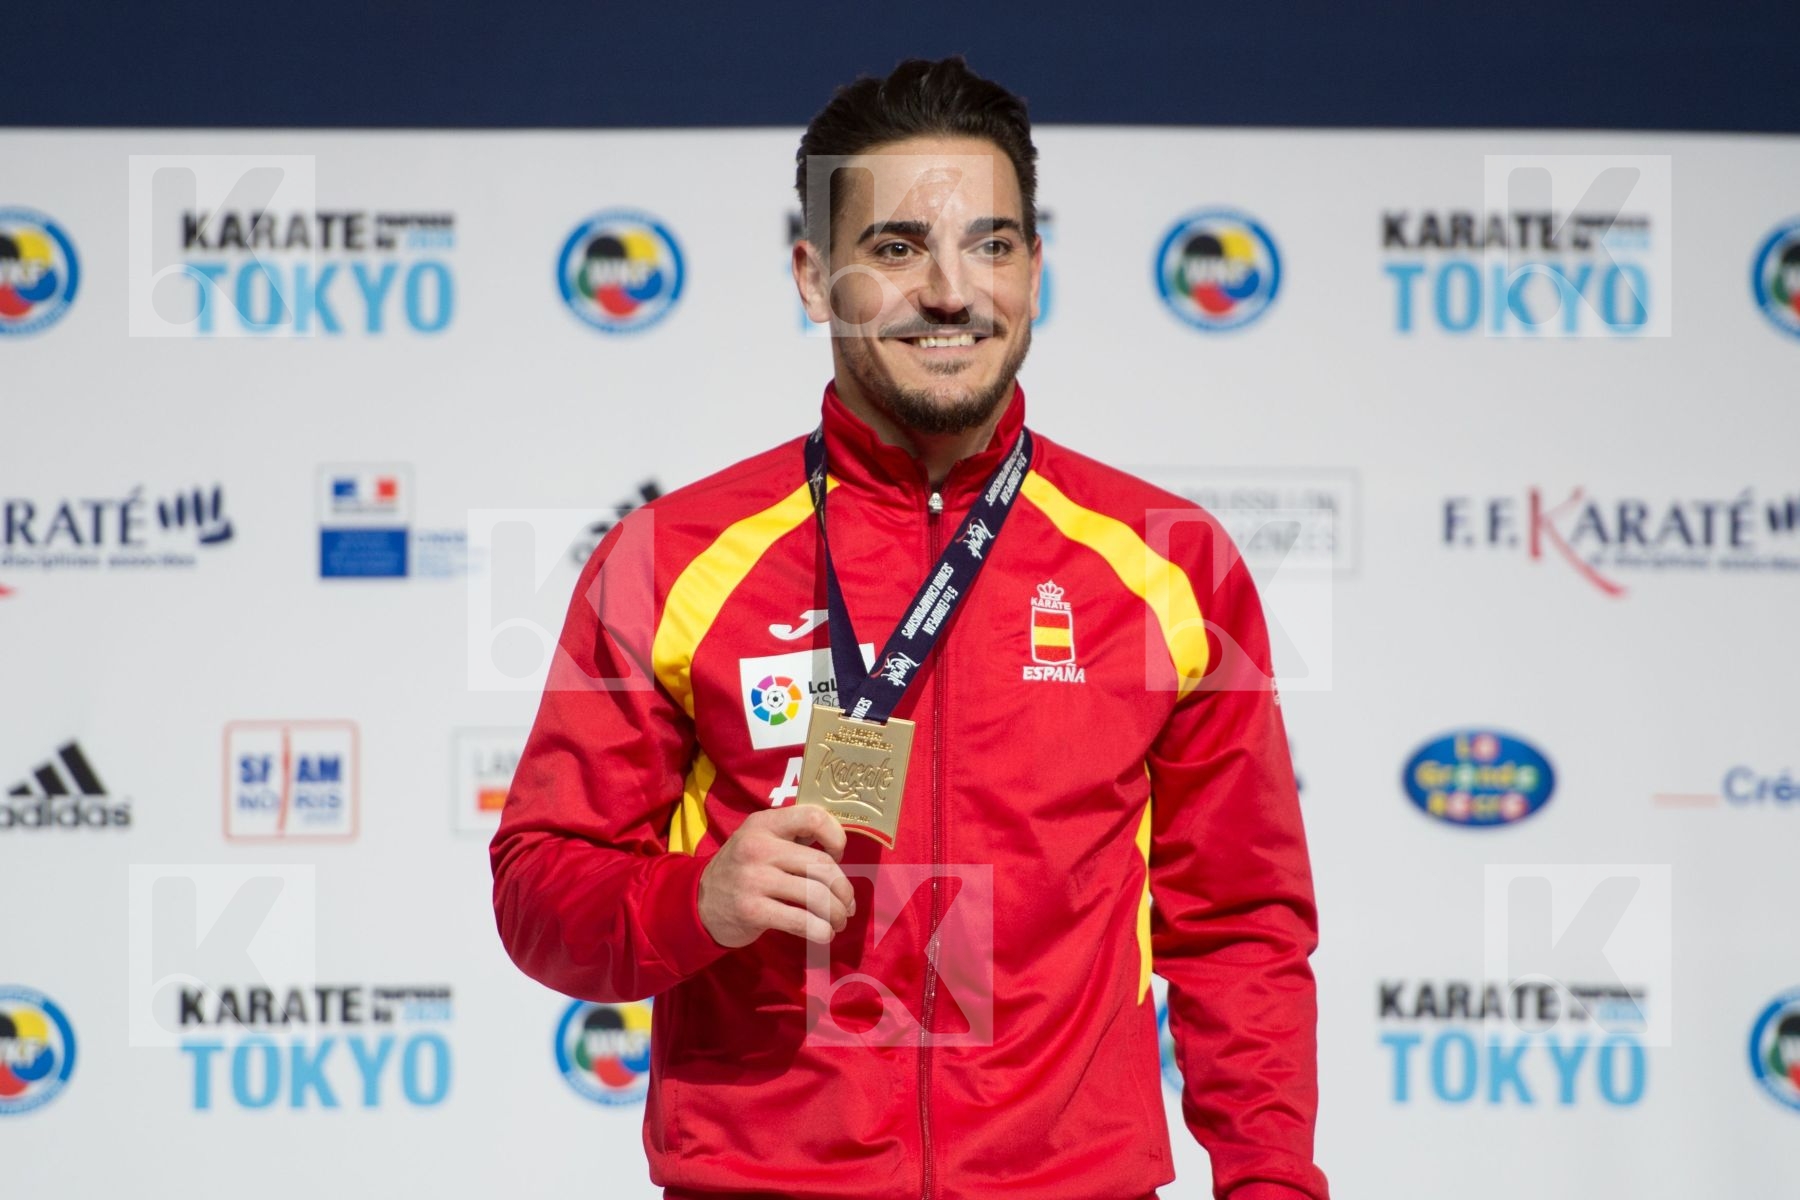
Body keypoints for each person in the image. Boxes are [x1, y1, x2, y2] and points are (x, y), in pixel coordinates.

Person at [492, 56, 1329, 1200]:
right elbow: (540, 889)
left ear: (1035, 270)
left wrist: (1271, 1183)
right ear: (813, 275)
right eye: (895, 250)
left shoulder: (1168, 564)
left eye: (989, 244)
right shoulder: (669, 561)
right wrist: (696, 900)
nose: (950, 292)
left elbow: (1241, 931)